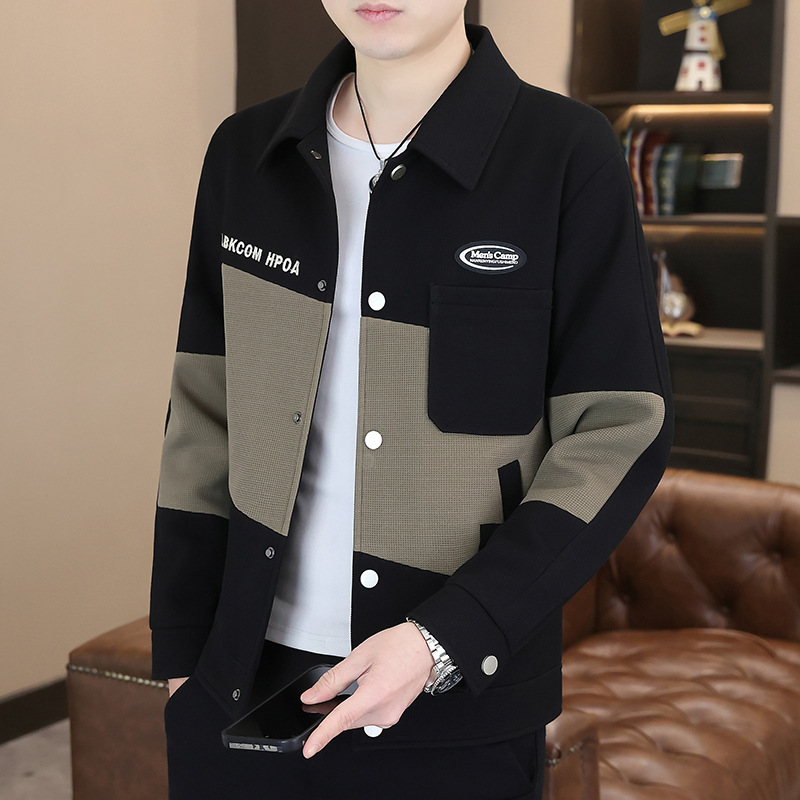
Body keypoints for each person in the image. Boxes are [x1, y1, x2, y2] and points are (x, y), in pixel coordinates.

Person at [149, 2, 674, 798]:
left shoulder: (567, 154)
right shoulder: (242, 153)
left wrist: (442, 640)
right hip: (238, 691)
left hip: (458, 708)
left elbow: (620, 429)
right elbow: (203, 410)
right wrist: (184, 651)